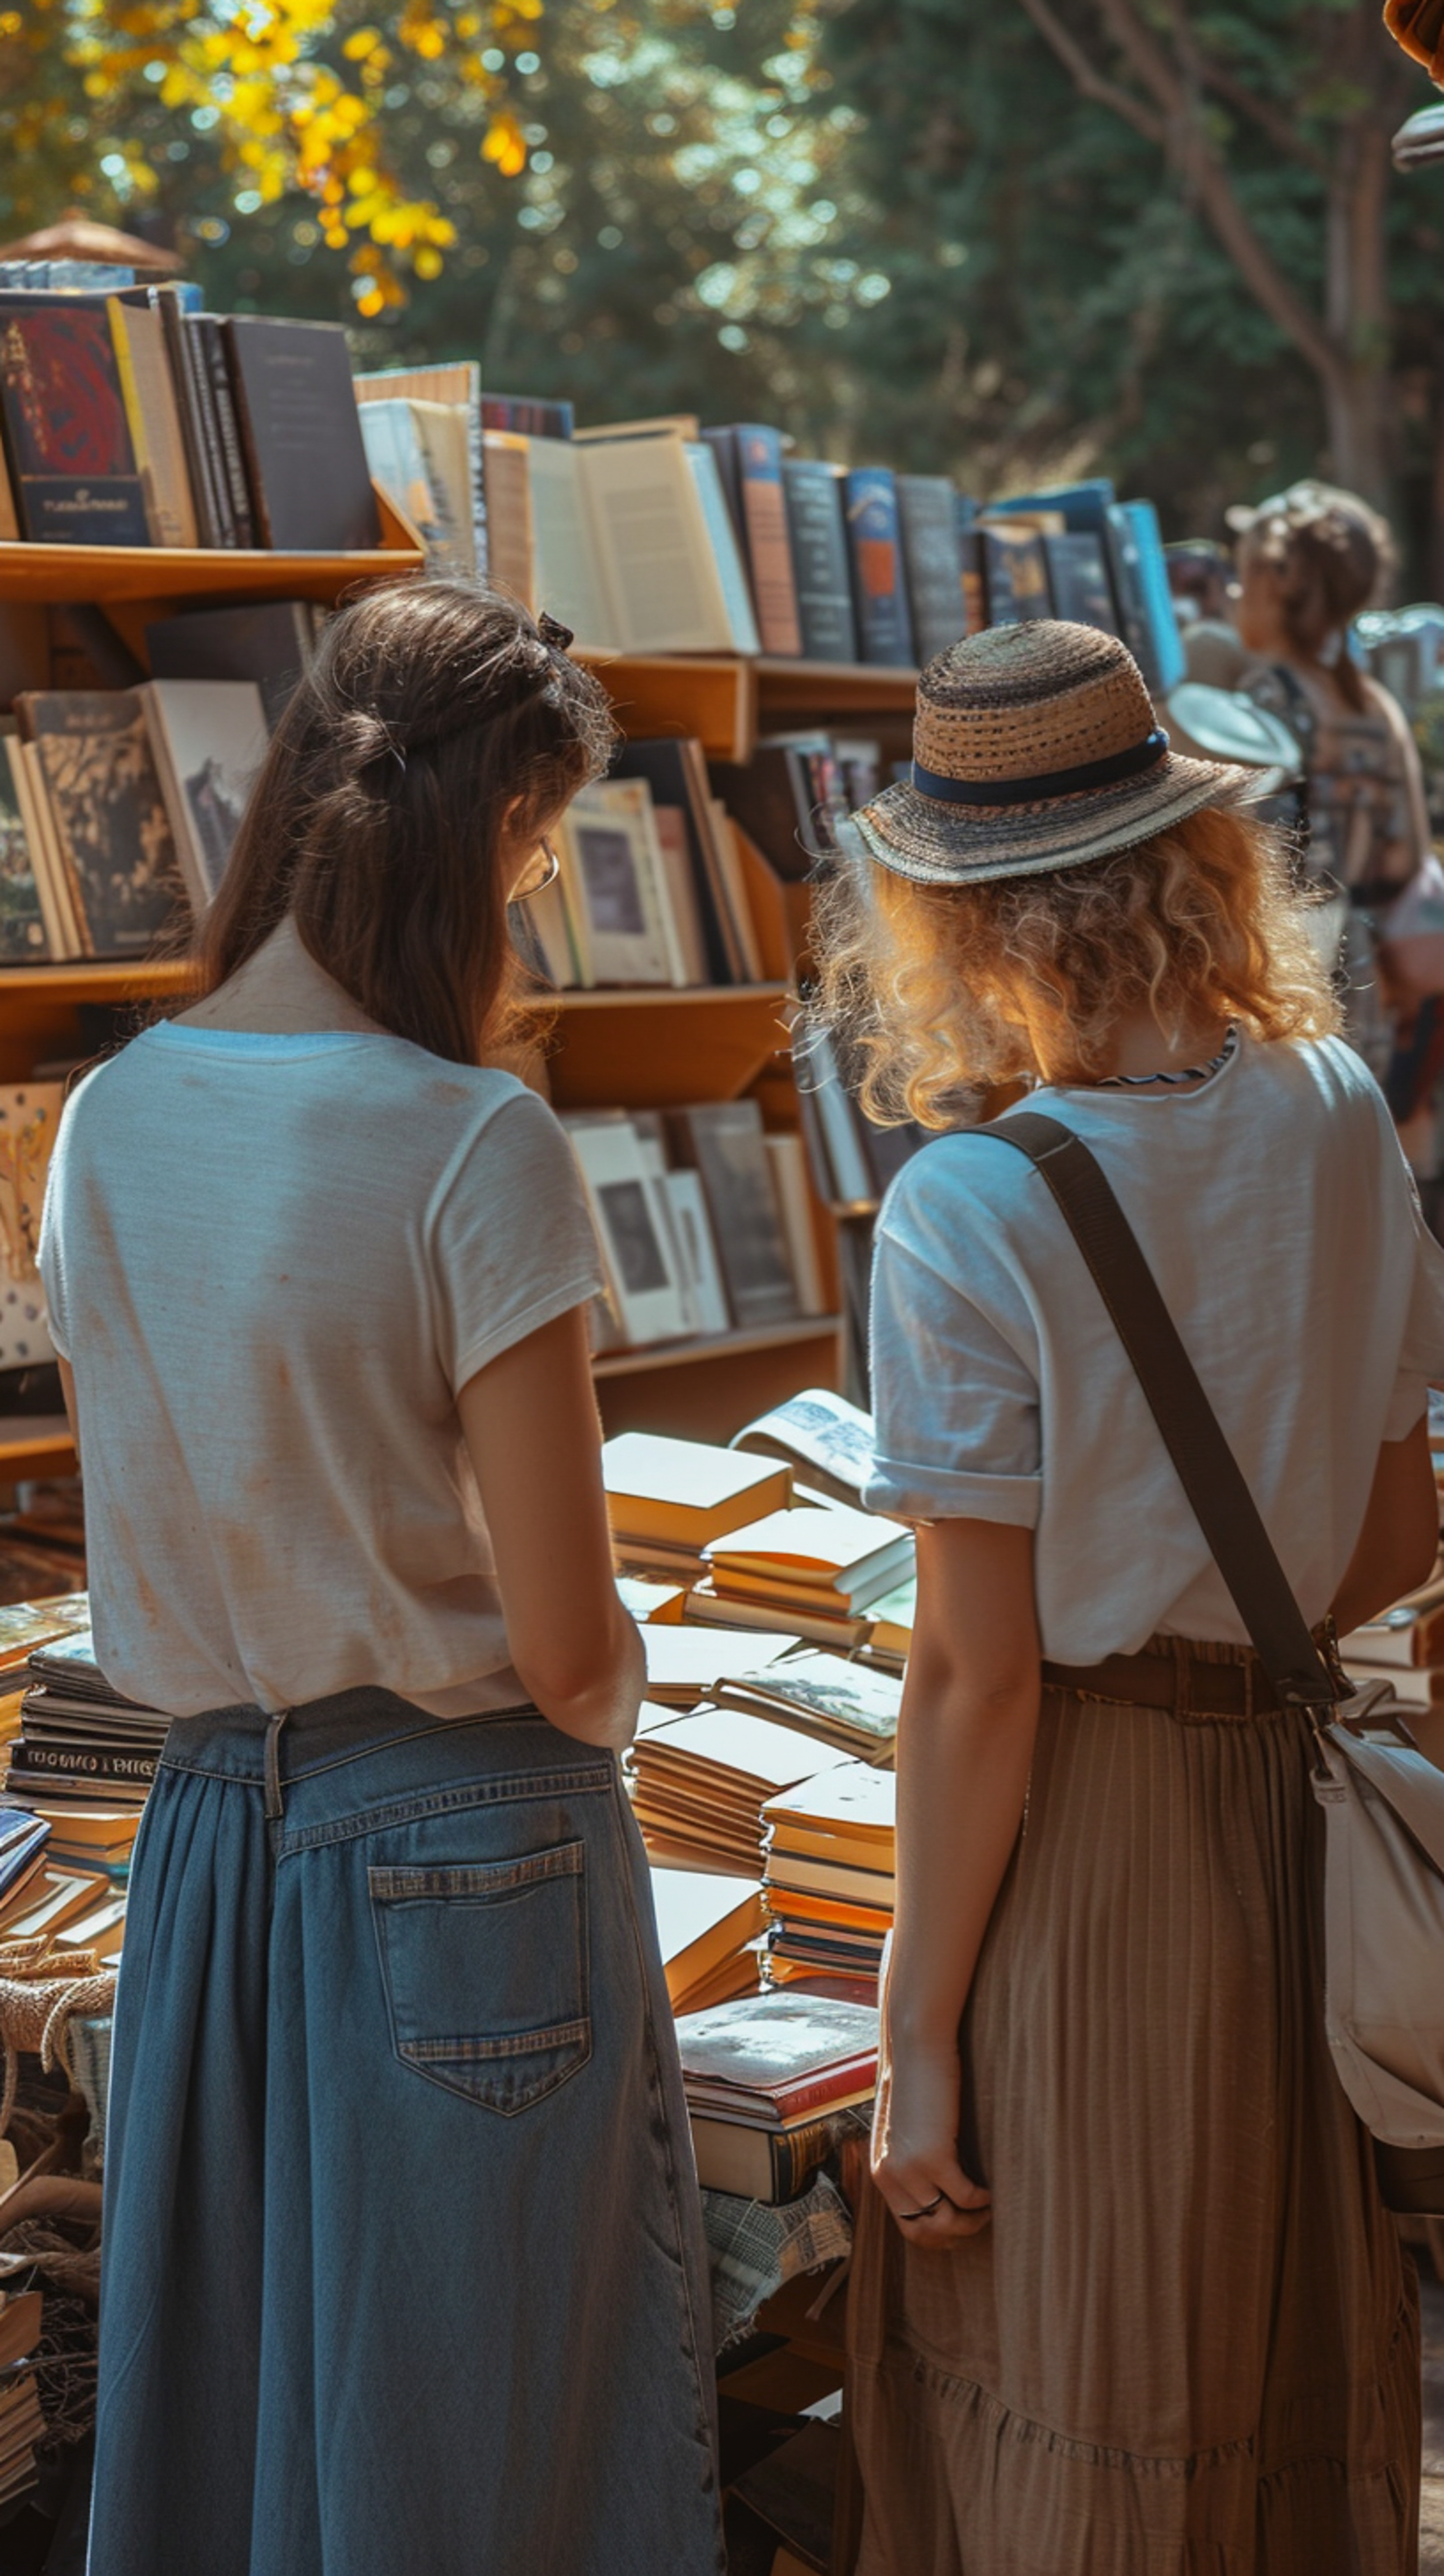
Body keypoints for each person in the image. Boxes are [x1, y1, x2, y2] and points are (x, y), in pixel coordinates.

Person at [39, 581, 727, 2576]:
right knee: (488, 2463)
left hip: (204, 1843)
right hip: (467, 1856)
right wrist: (625, 1667)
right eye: (529, 855)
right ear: (468, 841)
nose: (526, 915)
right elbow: (566, 1641)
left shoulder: (105, 1119)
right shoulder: (469, 1143)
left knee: (228, 2440)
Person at [812, 619, 1444, 2573]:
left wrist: (913, 2037)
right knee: (1266, 2388)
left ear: (951, 914)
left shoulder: (969, 1206)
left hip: (1086, 1848)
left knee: (1076, 2393)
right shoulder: (1340, 1109)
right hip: (1294, 1816)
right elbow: (1392, 1531)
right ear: (1196, 860)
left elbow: (971, 1675)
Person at [1227, 481, 1442, 1131]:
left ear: (1272, 582)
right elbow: (1407, 852)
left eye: (1241, 578)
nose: (1235, 596)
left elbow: (1257, 872)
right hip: (1380, 994)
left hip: (1302, 991)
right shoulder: (1374, 702)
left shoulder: (1268, 698)